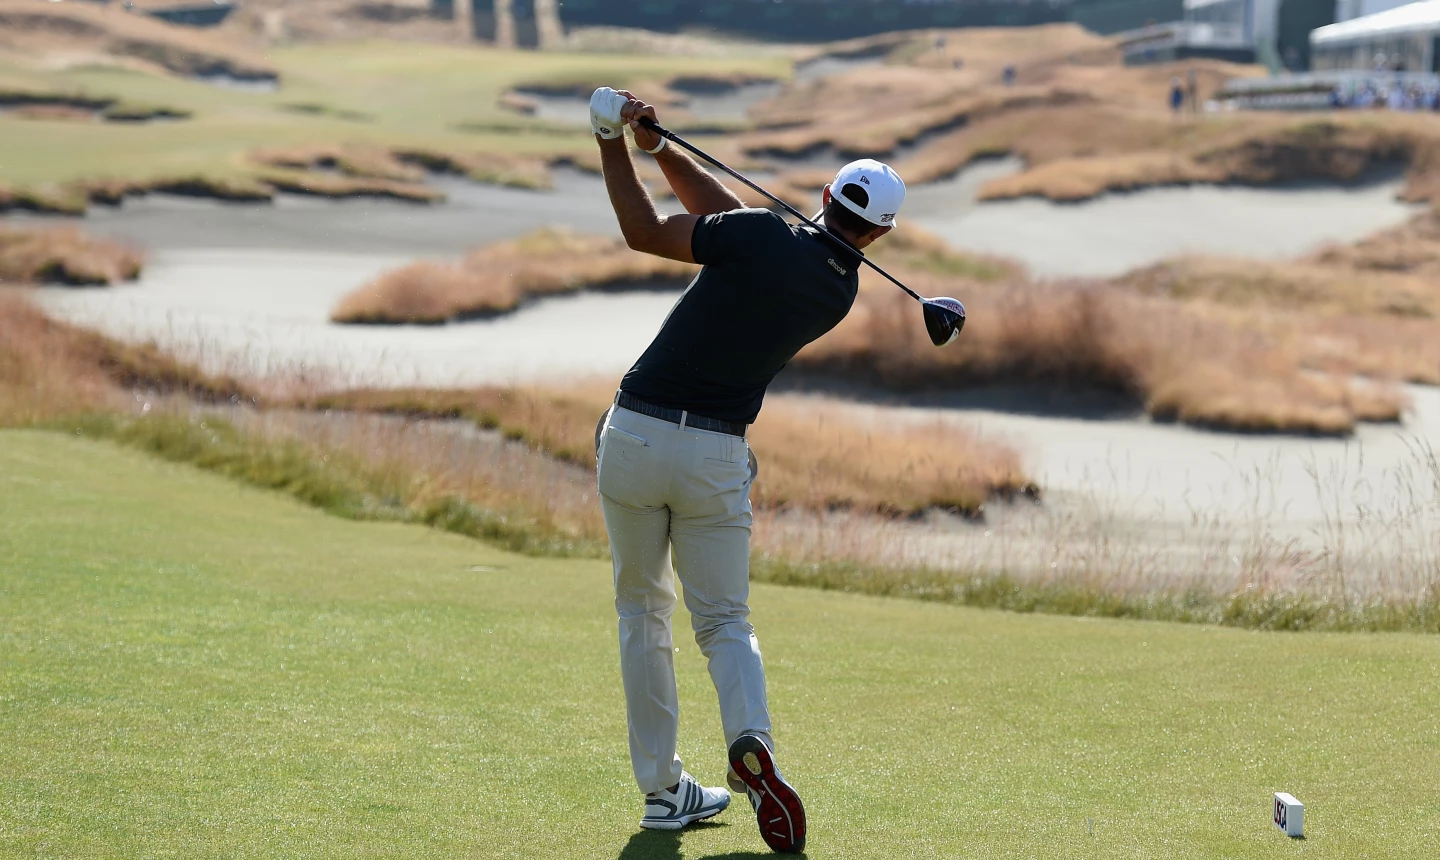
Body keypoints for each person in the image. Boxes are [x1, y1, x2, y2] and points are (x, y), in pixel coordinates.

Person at [587, 86, 904, 854]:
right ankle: (750, 738)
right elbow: (733, 220)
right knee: (724, 621)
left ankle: (663, 792)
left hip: (635, 435)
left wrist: (610, 140)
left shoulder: (762, 233)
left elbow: (645, 233)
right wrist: (662, 149)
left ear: (824, 195)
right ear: (881, 234)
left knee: (642, 613)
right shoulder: (838, 289)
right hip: (715, 456)